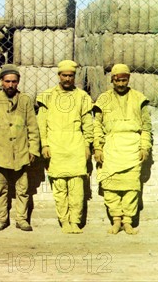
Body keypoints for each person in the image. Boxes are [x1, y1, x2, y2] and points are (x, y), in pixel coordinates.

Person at [93, 63, 152, 235]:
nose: (120, 84)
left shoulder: (139, 98)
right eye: (117, 80)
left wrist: (144, 147)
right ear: (112, 80)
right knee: (110, 187)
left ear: (129, 79)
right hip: (111, 147)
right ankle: (116, 220)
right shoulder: (103, 99)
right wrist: (98, 148)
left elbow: (146, 128)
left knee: (131, 187)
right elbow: (97, 126)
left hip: (132, 147)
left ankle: (128, 222)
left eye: (124, 80)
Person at [36, 60, 93, 234]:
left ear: (74, 77)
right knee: (60, 188)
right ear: (59, 76)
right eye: (64, 75)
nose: (67, 79)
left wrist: (87, 145)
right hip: (55, 146)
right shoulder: (47, 96)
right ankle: (64, 221)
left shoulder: (82, 97)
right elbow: (41, 123)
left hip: (75, 145)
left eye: (71, 76)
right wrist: (44, 144)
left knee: (77, 188)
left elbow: (87, 124)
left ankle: (75, 221)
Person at [0, 64, 40, 232]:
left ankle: (22, 219)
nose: (10, 85)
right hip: (1, 154)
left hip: (21, 152)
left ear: (18, 82)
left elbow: (33, 127)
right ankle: (1, 219)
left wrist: (33, 150)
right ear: (2, 82)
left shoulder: (25, 100)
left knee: (23, 189)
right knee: (1, 189)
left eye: (14, 82)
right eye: (7, 81)